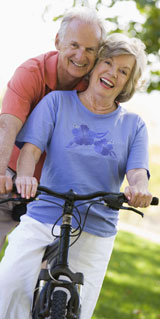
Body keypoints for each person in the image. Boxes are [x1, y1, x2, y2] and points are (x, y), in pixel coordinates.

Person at [0, 33, 152, 319]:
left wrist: (138, 189)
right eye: (108, 63)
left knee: (77, 309)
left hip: (96, 225)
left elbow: (137, 171)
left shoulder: (133, 125)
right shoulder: (57, 102)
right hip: (45, 213)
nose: (112, 74)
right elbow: (30, 151)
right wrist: (25, 177)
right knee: (9, 284)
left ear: (128, 83)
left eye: (123, 71)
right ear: (94, 66)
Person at [0, 6, 106, 251]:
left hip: (53, 191)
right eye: (75, 45)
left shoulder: (94, 86)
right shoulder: (31, 72)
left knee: (47, 273)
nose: (81, 56)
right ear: (58, 41)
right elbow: (8, 125)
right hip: (12, 174)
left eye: (90, 49)